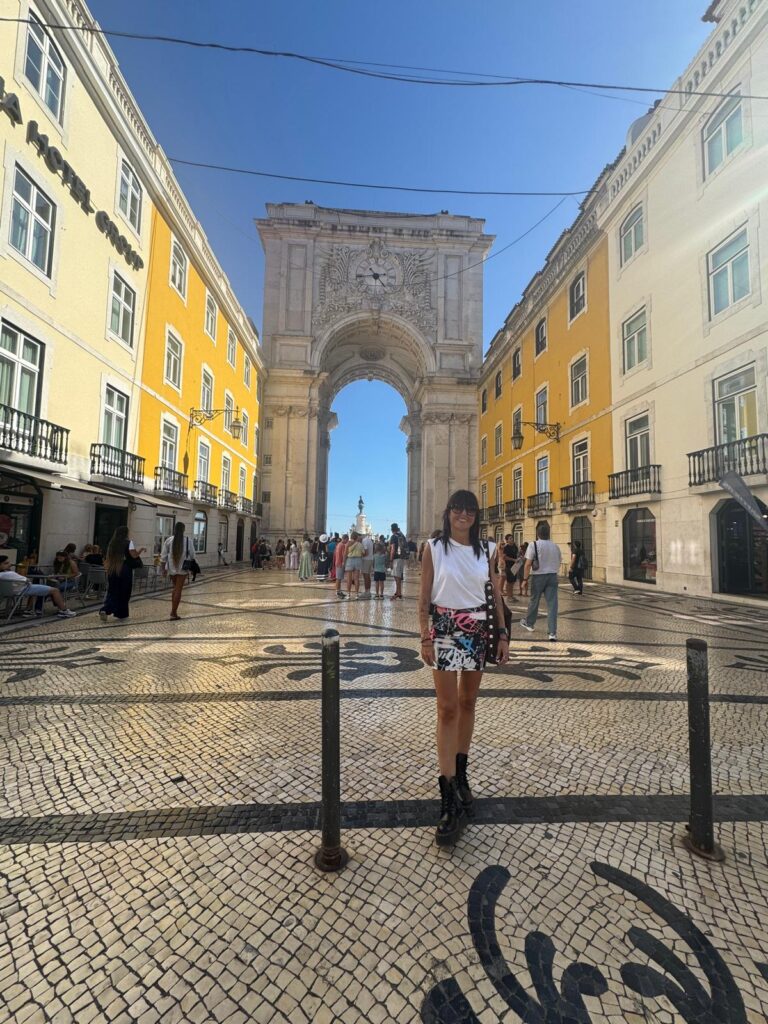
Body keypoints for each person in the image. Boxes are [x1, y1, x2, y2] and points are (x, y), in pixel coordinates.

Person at [419, 490, 509, 847]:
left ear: (476, 515)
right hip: (443, 627)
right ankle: (446, 798)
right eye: (457, 508)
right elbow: (424, 596)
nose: (463, 514)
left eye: (470, 509)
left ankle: (461, 776)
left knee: (469, 703)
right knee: (446, 708)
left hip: (479, 628)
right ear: (448, 512)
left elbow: (495, 594)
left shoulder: (487, 549)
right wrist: (425, 636)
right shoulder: (433, 548)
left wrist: (501, 633)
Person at [519, 522, 562, 641]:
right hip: (552, 576)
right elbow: (559, 562)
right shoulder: (555, 546)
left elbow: (527, 564)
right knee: (552, 604)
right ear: (549, 534)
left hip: (538, 577)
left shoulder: (533, 545)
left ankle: (530, 623)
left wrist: (525, 579)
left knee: (534, 600)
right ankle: (552, 633)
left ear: (537, 534)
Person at [0, 555, 77, 619]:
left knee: (38, 590)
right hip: (23, 589)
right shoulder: (9, 574)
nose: (10, 564)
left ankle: (31, 609)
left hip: (9, 591)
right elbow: (26, 580)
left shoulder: (3, 575)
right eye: (6, 563)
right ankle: (64, 611)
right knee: (55, 590)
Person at [100, 525, 143, 623]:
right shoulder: (129, 542)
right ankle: (119, 613)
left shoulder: (112, 543)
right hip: (124, 569)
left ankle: (106, 608)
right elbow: (133, 555)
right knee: (124, 592)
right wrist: (141, 550)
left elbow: (108, 557)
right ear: (126, 533)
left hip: (112, 568)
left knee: (113, 591)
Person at [161, 522, 193, 621]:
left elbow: (163, 557)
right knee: (178, 590)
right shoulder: (188, 540)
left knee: (175, 589)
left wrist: (163, 570)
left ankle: (173, 611)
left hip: (171, 568)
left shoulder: (169, 540)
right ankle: (173, 612)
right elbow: (192, 555)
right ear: (183, 530)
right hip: (183, 568)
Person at [389, 522, 407, 600]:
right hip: (402, 557)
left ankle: (398, 592)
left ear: (392, 529)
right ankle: (398, 592)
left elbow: (393, 549)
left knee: (396, 576)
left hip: (396, 558)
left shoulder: (393, 537)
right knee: (398, 575)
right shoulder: (402, 536)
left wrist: (390, 559)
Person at [345, 531, 364, 598]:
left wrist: (344, 562)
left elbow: (346, 553)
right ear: (357, 537)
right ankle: (356, 594)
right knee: (356, 579)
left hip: (350, 560)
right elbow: (363, 553)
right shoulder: (360, 544)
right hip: (358, 560)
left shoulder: (348, 543)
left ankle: (348, 594)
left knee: (349, 579)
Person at [501, 534, 519, 599]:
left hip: (515, 566)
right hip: (508, 567)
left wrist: (519, 558)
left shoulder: (515, 546)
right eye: (510, 538)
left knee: (513, 582)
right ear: (507, 540)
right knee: (509, 582)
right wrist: (513, 560)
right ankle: (509, 596)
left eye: (512, 538)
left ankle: (511, 595)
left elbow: (517, 555)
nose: (512, 539)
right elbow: (504, 557)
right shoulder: (506, 547)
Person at [334, 534, 348, 599]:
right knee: (338, 578)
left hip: (337, 562)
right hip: (340, 563)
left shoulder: (338, 544)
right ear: (345, 539)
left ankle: (339, 590)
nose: (347, 541)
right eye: (347, 540)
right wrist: (344, 562)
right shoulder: (342, 545)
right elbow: (344, 555)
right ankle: (337, 592)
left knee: (338, 578)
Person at [360, 531, 374, 597]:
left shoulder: (364, 541)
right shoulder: (369, 540)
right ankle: (368, 591)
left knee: (365, 577)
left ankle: (366, 592)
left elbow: (366, 552)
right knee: (368, 576)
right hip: (370, 559)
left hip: (366, 560)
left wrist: (360, 554)